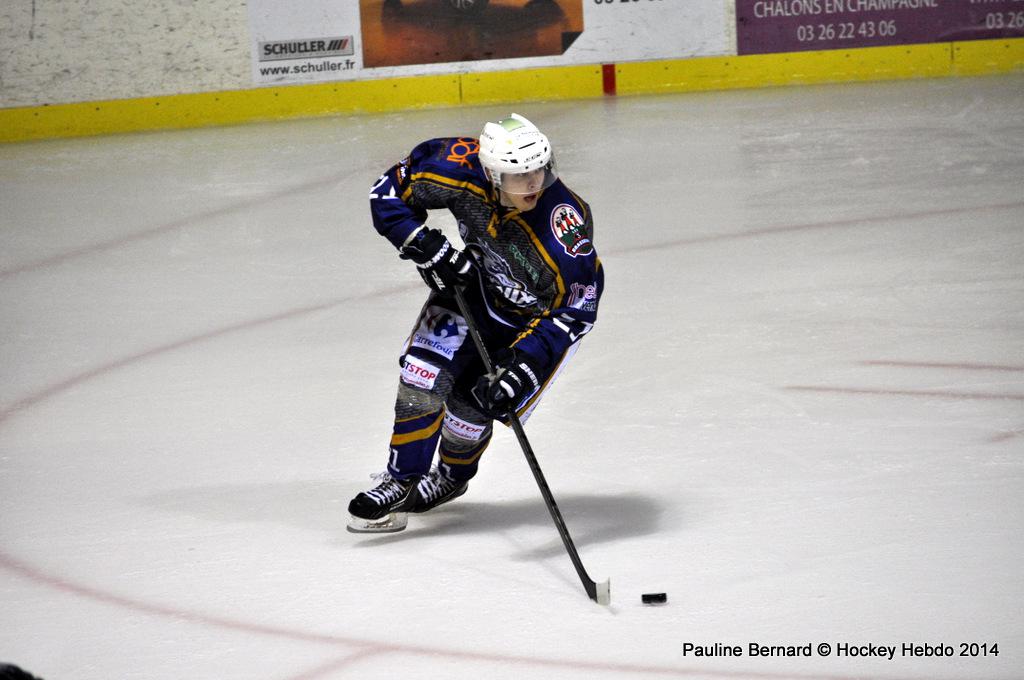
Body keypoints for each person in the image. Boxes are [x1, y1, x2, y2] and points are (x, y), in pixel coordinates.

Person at [348, 113, 603, 533]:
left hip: (531, 323)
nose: (534, 184)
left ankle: (451, 478)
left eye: (539, 170)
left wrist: (524, 366)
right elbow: (387, 192)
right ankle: (401, 479)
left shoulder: (563, 229)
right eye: (519, 176)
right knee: (421, 374)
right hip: (474, 288)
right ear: (491, 174)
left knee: (473, 405)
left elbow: (575, 309)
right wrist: (423, 245)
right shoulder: (453, 164)